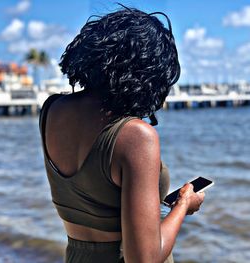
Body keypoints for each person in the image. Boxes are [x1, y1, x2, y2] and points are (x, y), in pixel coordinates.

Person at [39, 5, 205, 263]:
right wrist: (184, 204)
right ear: (149, 75)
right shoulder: (136, 136)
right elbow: (144, 258)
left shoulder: (52, 110)